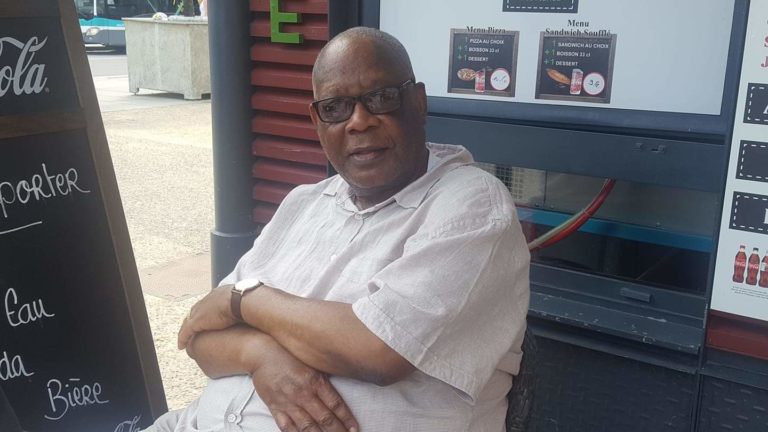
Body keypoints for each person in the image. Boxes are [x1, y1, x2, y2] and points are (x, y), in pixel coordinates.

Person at [147, 27, 530, 432]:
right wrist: (259, 355)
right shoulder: (304, 203)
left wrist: (243, 301)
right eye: (335, 107)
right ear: (317, 121)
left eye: (381, 98)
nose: (359, 121)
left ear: (418, 103)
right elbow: (199, 337)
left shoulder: (471, 204)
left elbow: (378, 349)